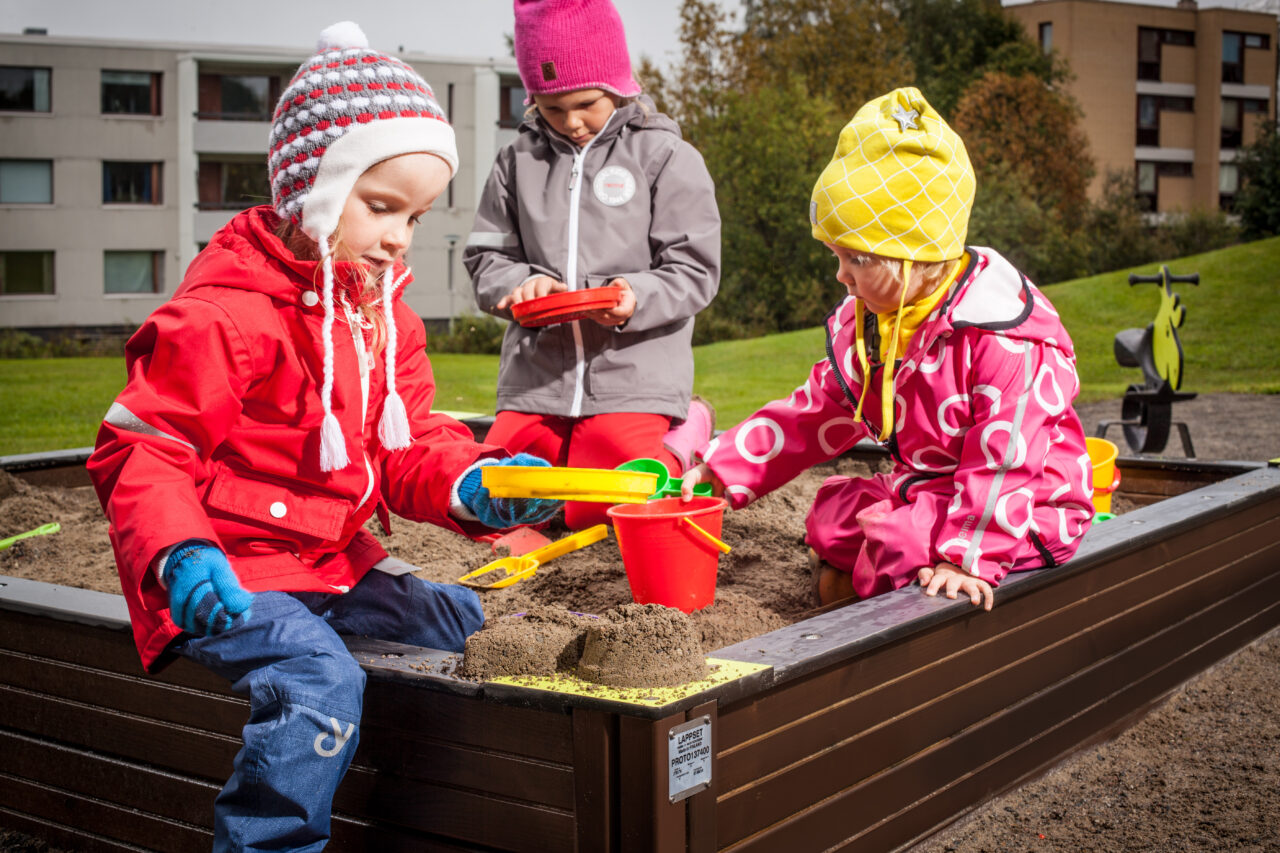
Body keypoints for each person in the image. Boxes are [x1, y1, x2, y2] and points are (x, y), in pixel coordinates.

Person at [86, 22, 561, 852]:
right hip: (228, 572)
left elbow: (407, 445)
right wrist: (181, 555)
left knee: (461, 619)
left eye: (414, 216)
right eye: (380, 207)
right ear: (312, 188)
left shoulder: (384, 321)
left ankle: (467, 806)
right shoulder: (224, 316)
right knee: (318, 676)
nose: (398, 238)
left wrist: (471, 483)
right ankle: (267, 844)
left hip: (333, 564)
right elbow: (143, 447)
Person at [682, 87, 1094, 611]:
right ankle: (871, 572)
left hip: (1025, 504)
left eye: (854, 259)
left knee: (895, 543)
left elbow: (1005, 460)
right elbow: (820, 408)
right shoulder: (876, 324)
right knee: (832, 515)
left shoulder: (1003, 338)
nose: (840, 275)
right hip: (931, 486)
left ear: (913, 256)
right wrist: (727, 466)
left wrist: (965, 558)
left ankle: (876, 590)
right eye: (836, 256)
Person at [464, 0, 722, 529]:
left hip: (634, 374)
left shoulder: (665, 156)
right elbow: (485, 258)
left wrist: (635, 296)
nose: (572, 122)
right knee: (496, 492)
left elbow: (695, 269)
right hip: (537, 377)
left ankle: (689, 426)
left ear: (619, 84)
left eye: (585, 103)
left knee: (598, 512)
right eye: (551, 108)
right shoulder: (517, 161)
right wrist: (519, 285)